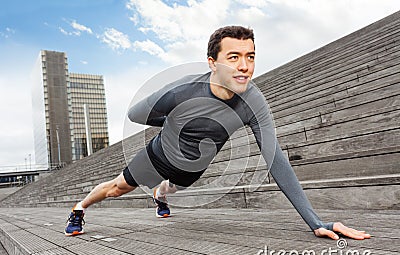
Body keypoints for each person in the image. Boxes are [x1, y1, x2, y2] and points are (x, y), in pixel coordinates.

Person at [65, 26, 371, 241]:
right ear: (212, 63)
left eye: (250, 56)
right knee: (118, 188)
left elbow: (276, 160)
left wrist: (315, 222)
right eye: (233, 57)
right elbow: (136, 115)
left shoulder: (253, 102)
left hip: (194, 167)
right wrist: (173, 119)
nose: (244, 67)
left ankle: (160, 195)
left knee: (172, 188)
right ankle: (79, 208)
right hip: (158, 155)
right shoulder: (184, 89)